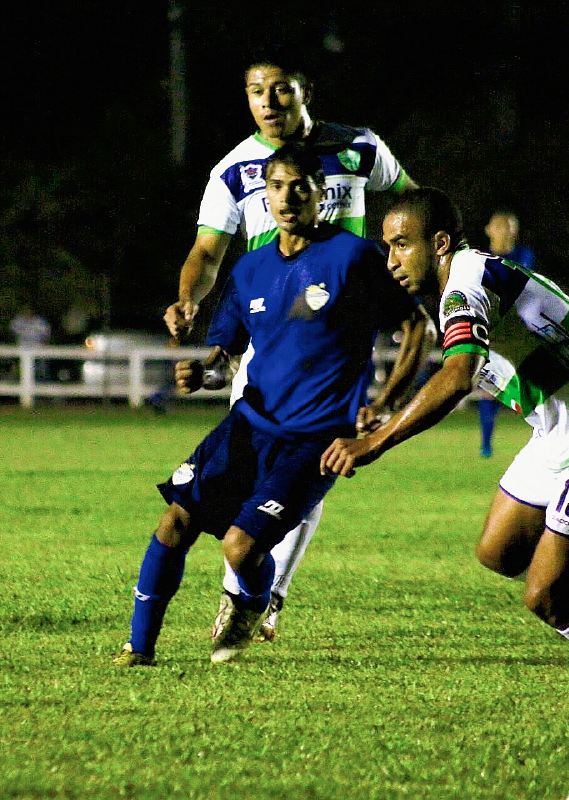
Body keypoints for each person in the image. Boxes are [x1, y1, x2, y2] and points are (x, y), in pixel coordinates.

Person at [321, 189, 569, 708]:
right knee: (499, 551)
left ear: (441, 243)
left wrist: (374, 442)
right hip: (562, 431)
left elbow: (457, 377)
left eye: (402, 245)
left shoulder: (467, 284)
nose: (392, 261)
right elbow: (441, 346)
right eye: (388, 247)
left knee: (547, 598)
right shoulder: (470, 279)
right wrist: (388, 403)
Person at [115, 146, 424, 666]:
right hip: (248, 426)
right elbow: (225, 357)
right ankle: (138, 648)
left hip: (315, 441)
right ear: (265, 195)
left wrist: (386, 403)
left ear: (322, 193)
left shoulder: (352, 257)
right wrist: (203, 373)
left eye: (300, 186)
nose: (287, 197)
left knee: (239, 548)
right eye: (276, 187)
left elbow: (415, 325)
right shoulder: (251, 268)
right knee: (174, 522)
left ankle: (252, 603)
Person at [162, 51, 419, 643]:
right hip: (265, 340)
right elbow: (207, 252)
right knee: (258, 473)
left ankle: (257, 599)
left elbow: (412, 202)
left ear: (306, 93)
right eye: (256, 92)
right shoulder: (234, 170)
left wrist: (417, 258)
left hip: (340, 337)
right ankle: (255, 583)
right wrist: (189, 298)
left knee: (309, 461)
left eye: (281, 90)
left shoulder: (359, 149)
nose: (269, 103)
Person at [477, 211, 536, 457]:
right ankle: (486, 444)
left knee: (534, 387)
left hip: (522, 329)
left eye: (509, 227)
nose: (505, 231)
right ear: (488, 229)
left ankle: (547, 439)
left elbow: (517, 283)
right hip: (492, 329)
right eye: (499, 226)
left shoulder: (523, 255)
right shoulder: (478, 257)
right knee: (488, 388)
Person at [10, 306, 52, 382]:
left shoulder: (40, 321)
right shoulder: (17, 320)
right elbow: (12, 334)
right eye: (25, 310)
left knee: (40, 373)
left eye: (29, 310)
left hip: (38, 350)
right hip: (21, 350)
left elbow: (46, 336)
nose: (27, 312)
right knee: (22, 373)